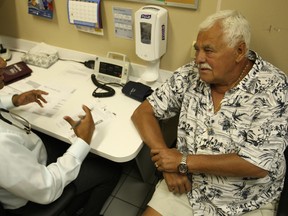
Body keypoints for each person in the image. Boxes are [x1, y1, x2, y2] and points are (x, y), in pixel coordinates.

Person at [131, 10, 288, 216]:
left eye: (208, 50)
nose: (198, 59)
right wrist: (168, 165)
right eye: (197, 49)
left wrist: (182, 162)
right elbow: (143, 112)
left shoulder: (273, 87)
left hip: (247, 201)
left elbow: (257, 164)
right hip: (188, 187)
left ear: (239, 51)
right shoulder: (190, 75)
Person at [0, 57, 121, 216]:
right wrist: (83, 140)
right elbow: (46, 188)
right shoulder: (2, 147)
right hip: (33, 196)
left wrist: (14, 100)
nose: (3, 63)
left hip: (30, 157)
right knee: (110, 169)